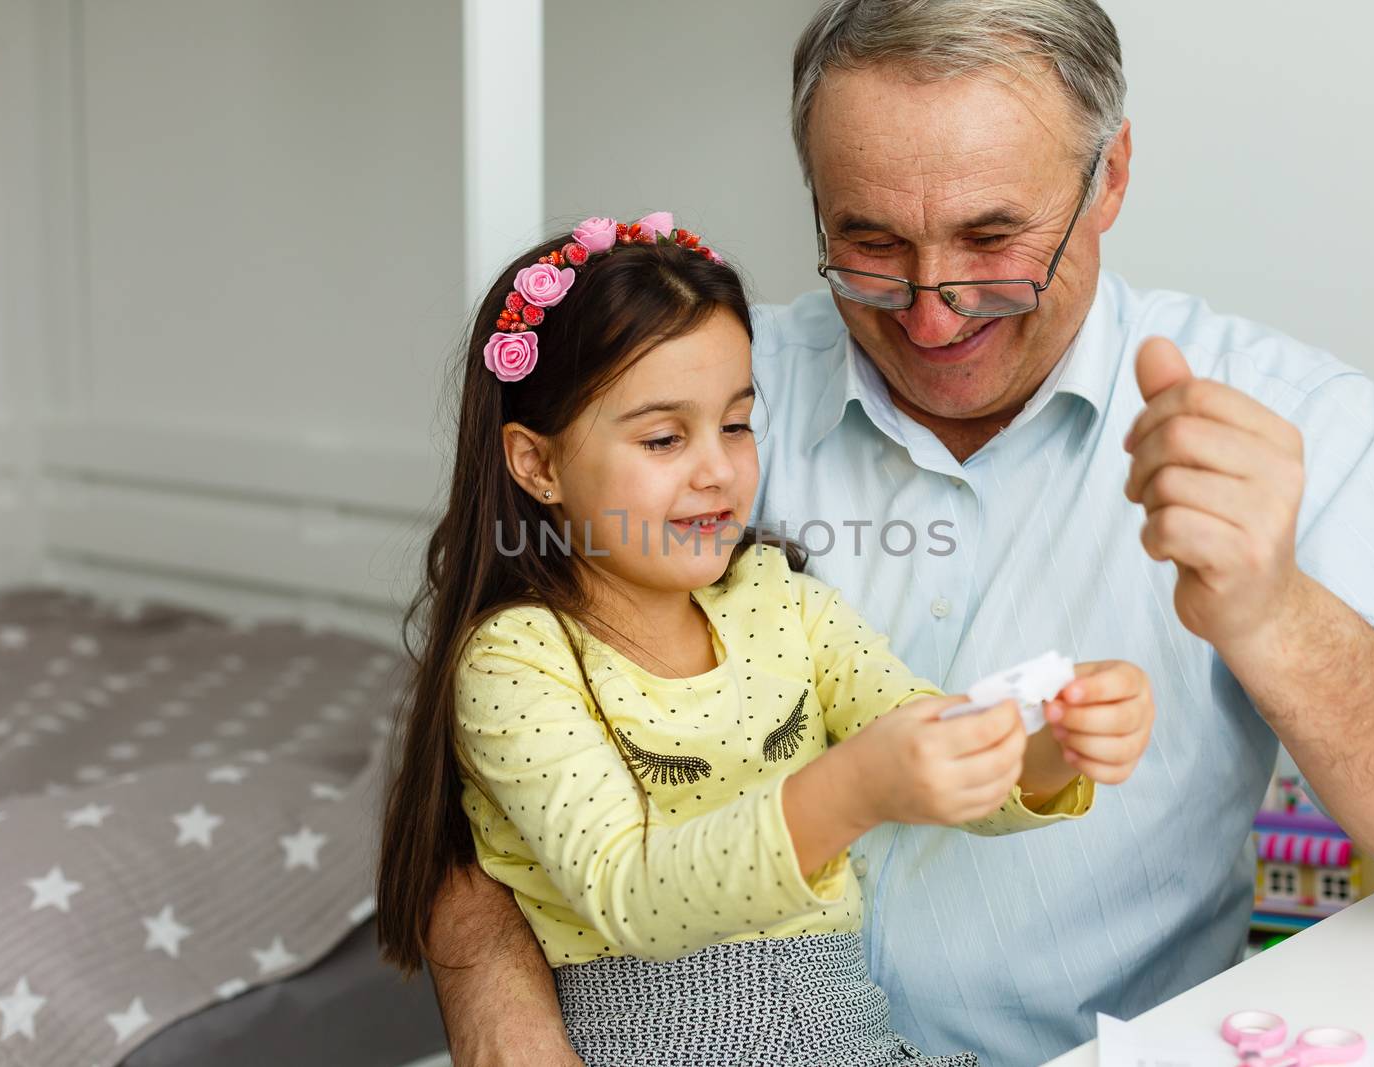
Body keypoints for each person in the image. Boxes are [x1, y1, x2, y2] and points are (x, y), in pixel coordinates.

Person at [416, 3, 1374, 1065]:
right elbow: (482, 756)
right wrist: (489, 989)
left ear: (1111, 177)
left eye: (992, 240)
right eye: (870, 243)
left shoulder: (1295, 418)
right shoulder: (702, 387)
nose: (933, 314)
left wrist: (1268, 615)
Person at [376, 214, 1156, 1064]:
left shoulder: (781, 603)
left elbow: (937, 741)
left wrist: (1054, 744)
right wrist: (850, 789)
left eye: (737, 424)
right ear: (538, 464)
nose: (717, 467)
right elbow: (628, 890)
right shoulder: (519, 659)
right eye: (665, 437)